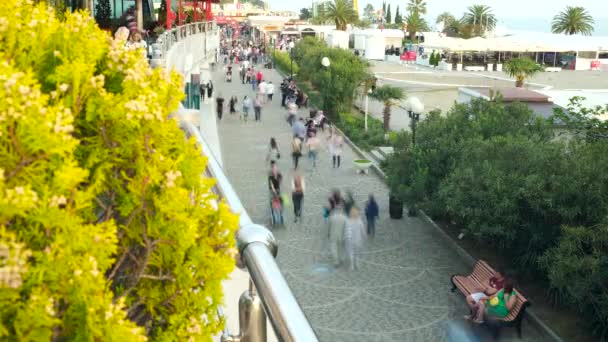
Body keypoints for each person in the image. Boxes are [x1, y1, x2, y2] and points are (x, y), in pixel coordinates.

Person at [328, 201, 346, 267]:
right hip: (342, 235)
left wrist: (328, 233)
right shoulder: (344, 218)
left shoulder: (332, 217)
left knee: (334, 248)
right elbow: (346, 228)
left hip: (333, 235)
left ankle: (336, 262)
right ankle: (341, 259)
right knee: (341, 248)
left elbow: (329, 226)